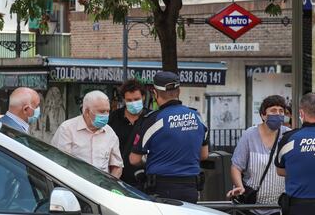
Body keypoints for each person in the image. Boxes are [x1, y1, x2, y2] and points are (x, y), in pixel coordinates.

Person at [129, 71, 208, 203]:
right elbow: (204, 155)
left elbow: (134, 159)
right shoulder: (197, 117)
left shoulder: (152, 120)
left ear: (154, 93)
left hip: (161, 189)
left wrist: (149, 159)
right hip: (191, 188)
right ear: (179, 91)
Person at [226, 95, 290, 215]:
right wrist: (240, 187)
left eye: (281, 111)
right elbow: (236, 166)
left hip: (278, 207)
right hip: (251, 206)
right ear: (263, 115)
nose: (278, 114)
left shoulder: (287, 135)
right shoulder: (249, 135)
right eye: (273, 110)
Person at [51, 90, 123, 179]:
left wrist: (110, 186)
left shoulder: (110, 133)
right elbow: (59, 164)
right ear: (87, 112)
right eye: (101, 111)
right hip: (74, 187)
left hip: (101, 188)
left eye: (108, 111)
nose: (106, 115)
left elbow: (117, 166)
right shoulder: (67, 129)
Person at [108, 79, 151, 187]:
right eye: (129, 100)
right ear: (123, 100)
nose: (133, 103)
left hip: (144, 179)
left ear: (143, 97)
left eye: (136, 99)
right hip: (118, 178)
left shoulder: (151, 118)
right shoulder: (113, 118)